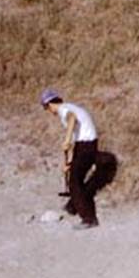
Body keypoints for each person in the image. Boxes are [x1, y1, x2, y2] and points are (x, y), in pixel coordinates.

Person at [41, 88, 100, 230]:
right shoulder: (70, 106)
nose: (49, 112)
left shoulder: (64, 109)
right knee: (76, 177)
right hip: (86, 145)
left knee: (74, 182)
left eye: (46, 108)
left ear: (49, 105)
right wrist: (69, 162)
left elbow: (72, 118)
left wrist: (66, 140)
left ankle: (89, 219)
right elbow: (76, 141)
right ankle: (72, 206)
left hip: (86, 145)